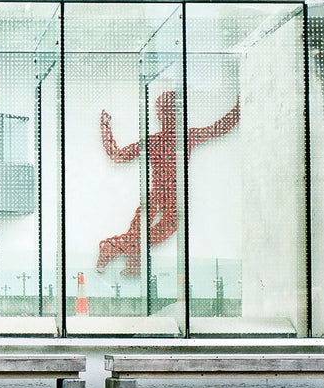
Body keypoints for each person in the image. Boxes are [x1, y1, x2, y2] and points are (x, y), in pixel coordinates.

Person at [96, 91, 239, 276]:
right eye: (171, 111)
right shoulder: (181, 138)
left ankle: (125, 258)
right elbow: (218, 128)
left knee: (141, 232)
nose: (172, 116)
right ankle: (118, 253)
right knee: (146, 232)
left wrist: (106, 127)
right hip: (168, 198)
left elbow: (117, 155)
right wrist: (238, 109)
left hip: (160, 197)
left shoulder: (163, 140)